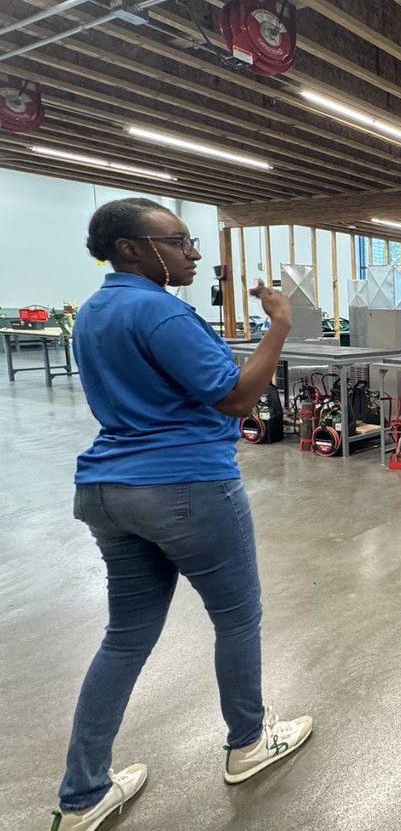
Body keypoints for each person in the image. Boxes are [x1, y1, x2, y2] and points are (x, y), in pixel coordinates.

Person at [51, 199, 313, 830]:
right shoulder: (160, 311)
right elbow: (237, 398)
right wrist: (279, 325)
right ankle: (248, 743)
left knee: (126, 636)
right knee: (237, 616)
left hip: (107, 488)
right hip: (184, 485)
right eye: (177, 242)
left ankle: (83, 794)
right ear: (130, 249)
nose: (193, 253)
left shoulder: (94, 311)